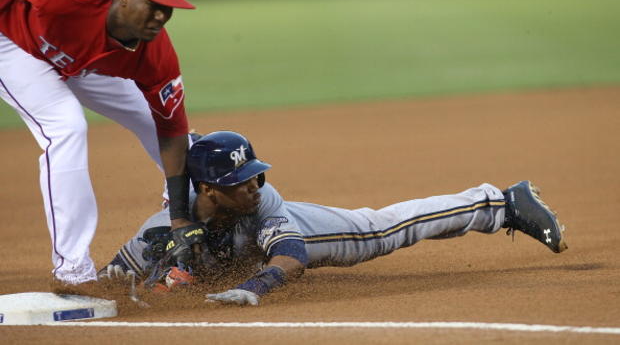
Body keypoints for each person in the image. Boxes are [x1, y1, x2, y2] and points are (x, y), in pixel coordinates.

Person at [99, 131, 568, 306]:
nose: (253, 185)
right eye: (239, 180)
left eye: (254, 175)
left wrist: (256, 286)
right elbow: (110, 279)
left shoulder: (263, 201)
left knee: (377, 231)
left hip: (280, 233)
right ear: (206, 190)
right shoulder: (159, 230)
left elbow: (291, 254)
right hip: (227, 247)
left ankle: (500, 203)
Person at [0, 0, 203, 288]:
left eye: (168, 8)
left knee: (151, 118)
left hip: (76, 60)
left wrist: (179, 216)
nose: (160, 16)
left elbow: (171, 131)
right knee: (66, 127)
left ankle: (200, 218)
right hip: (11, 42)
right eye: (153, 3)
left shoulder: (155, 54)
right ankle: (72, 271)